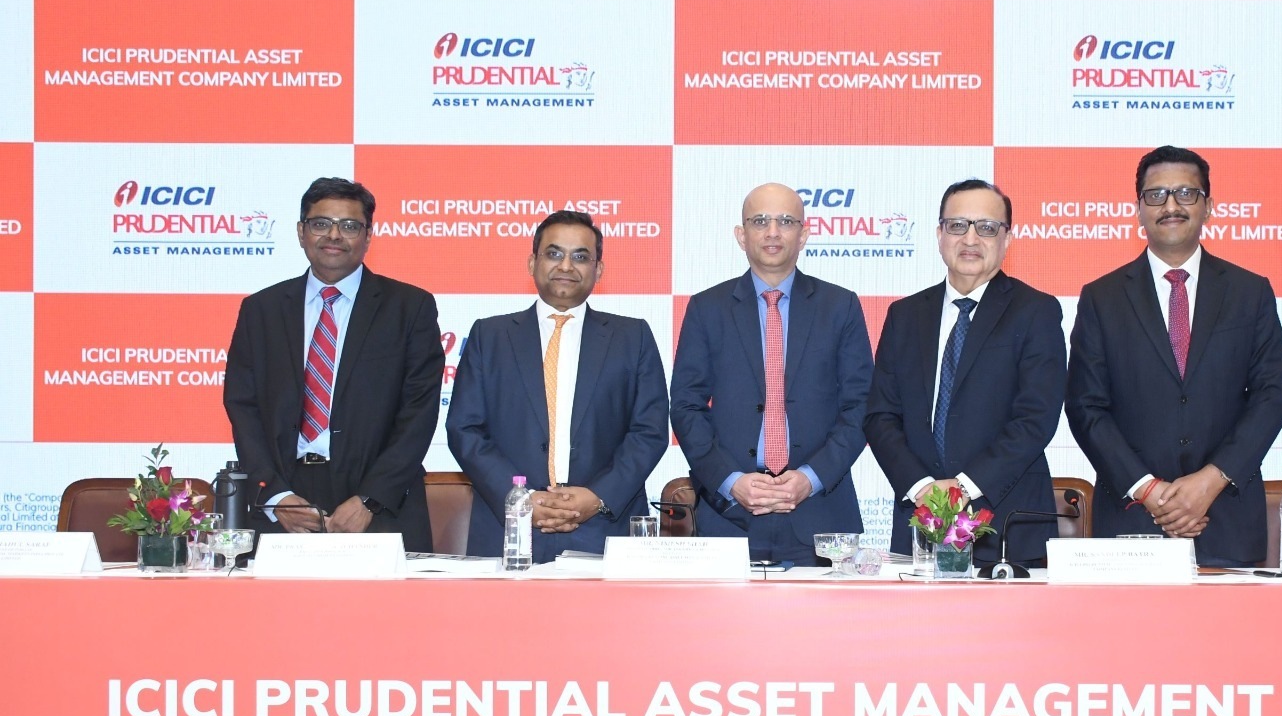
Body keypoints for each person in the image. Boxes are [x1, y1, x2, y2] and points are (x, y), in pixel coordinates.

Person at [1065, 146, 1282, 566]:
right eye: (1156, 195)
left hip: (1226, 515)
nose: (1171, 206)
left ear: (1209, 206)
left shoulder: (1250, 292)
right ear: (1138, 210)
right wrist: (1148, 490)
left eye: (1186, 193)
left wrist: (1209, 481)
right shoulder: (1101, 298)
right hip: (1132, 518)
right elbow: (1085, 407)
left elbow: (1271, 397)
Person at [223, 177, 444, 552]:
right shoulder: (261, 309)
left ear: (368, 236)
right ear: (301, 232)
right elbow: (243, 407)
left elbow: (418, 413)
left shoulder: (409, 308)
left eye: (350, 225)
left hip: (378, 505)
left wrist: (371, 499)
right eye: (321, 223)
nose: (334, 235)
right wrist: (275, 496)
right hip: (284, 504)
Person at [670, 183, 874, 565]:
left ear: (804, 234)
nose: (773, 232)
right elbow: (685, 406)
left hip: (821, 515)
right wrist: (731, 481)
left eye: (786, 221)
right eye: (760, 221)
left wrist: (811, 477)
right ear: (741, 235)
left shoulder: (840, 306)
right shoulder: (707, 308)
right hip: (728, 515)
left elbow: (861, 406)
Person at [865, 179, 1067, 566]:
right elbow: (880, 416)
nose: (970, 238)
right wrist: (924, 489)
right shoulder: (905, 315)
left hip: (1007, 525)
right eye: (957, 225)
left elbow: (1035, 418)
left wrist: (962, 488)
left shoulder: (1035, 311)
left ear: (1007, 239)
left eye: (987, 227)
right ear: (939, 235)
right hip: (918, 521)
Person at [447, 210, 668, 561]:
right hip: (509, 528)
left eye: (580, 257)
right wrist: (519, 500)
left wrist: (598, 497)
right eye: (554, 253)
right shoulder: (489, 336)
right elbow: (465, 429)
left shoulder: (632, 337)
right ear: (532, 262)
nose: (566, 266)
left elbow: (650, 431)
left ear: (598, 270)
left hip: (603, 526)